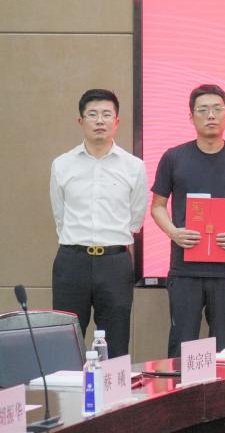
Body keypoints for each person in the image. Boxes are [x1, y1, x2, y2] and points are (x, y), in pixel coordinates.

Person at [150, 84, 225, 357]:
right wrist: (174, 232)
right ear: (191, 116)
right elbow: (157, 207)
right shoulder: (173, 157)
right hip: (184, 268)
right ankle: (179, 387)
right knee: (182, 342)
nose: (210, 115)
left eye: (217, 109)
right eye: (203, 110)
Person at [49, 89, 148, 358]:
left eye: (106, 114)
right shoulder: (62, 164)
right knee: (64, 341)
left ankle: (113, 387)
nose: (100, 120)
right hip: (72, 261)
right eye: (92, 114)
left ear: (117, 121)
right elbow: (60, 215)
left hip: (115, 262)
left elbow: (136, 217)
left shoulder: (134, 166)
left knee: (116, 340)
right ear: (80, 121)